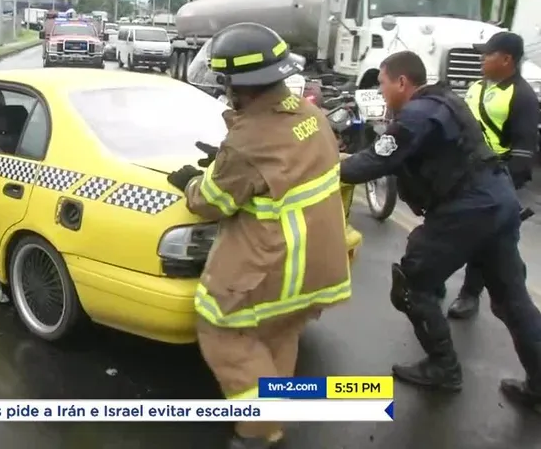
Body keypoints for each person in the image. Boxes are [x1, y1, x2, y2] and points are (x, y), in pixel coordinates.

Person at [168, 22, 352, 449]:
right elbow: (282, 163)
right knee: (278, 334)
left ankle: (257, 430)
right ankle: (276, 418)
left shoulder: (248, 139)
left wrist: (191, 182)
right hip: (320, 263)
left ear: (237, 86)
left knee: (222, 330)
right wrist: (229, 160)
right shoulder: (311, 116)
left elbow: (211, 201)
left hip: (272, 266)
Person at [339, 50, 541, 410]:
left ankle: (443, 368)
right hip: (498, 200)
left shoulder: (416, 115)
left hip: (466, 209)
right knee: (513, 300)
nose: (382, 90)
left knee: (413, 286)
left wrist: (325, 165)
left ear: (402, 82)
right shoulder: (445, 100)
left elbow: (372, 162)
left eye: (383, 83)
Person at [447, 31, 540, 319]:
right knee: (446, 229)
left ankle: (471, 294)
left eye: (487, 54)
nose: (481, 59)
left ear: (506, 59)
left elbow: (524, 152)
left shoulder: (522, 96)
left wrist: (501, 186)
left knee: (485, 240)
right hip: (462, 172)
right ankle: (430, 283)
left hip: (494, 178)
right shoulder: (476, 86)